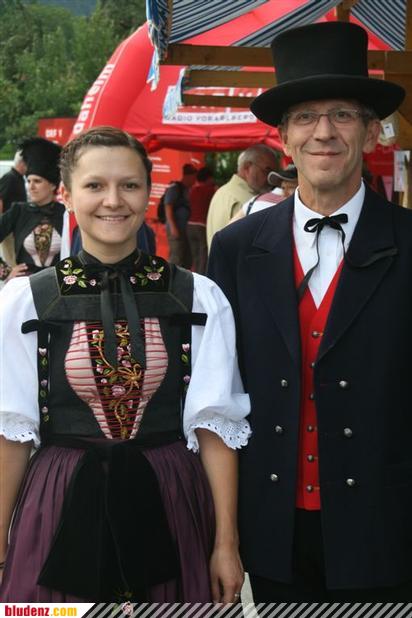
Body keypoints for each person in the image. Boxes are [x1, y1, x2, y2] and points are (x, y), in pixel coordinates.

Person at [0, 126, 250, 603]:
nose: (113, 200)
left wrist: (226, 543)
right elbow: (10, 434)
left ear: (147, 193)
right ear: (68, 195)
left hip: (170, 495)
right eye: (95, 185)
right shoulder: (25, 300)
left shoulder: (197, 295)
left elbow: (215, 428)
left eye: (129, 185)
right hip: (59, 496)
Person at [208, 21, 411, 601]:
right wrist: (225, 534)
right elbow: (218, 392)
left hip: (388, 529)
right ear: (283, 138)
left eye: (343, 115)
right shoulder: (236, 248)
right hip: (274, 530)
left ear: (370, 133)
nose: (324, 132)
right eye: (305, 117)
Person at [0, 137, 65, 276]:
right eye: (29, 181)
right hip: (24, 284)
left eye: (37, 181)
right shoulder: (18, 211)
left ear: (52, 185)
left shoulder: (65, 213)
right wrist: (6, 272)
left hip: (57, 286)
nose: (31, 187)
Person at [206, 145, 277, 248]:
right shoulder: (249, 203)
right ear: (247, 168)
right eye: (267, 171)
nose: (270, 179)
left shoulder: (221, 192)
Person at [164, 163, 197, 269]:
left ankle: (182, 277)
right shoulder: (175, 188)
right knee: (176, 256)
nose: (195, 181)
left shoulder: (188, 189)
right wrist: (173, 227)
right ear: (188, 176)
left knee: (186, 257)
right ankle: (171, 278)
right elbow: (168, 206)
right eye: (194, 177)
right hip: (176, 228)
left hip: (184, 229)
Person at [188, 167, 216, 274]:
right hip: (202, 226)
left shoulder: (192, 190)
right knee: (203, 257)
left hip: (189, 225)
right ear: (208, 178)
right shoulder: (211, 190)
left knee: (195, 256)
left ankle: (193, 276)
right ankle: (200, 279)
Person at [0, 149, 27, 214]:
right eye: (28, 163)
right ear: (21, 163)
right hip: (8, 218)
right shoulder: (9, 177)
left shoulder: (20, 178)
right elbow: (0, 199)